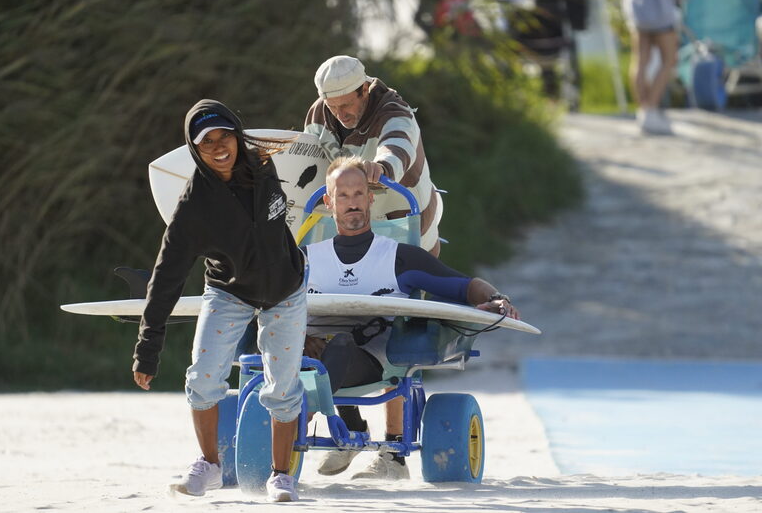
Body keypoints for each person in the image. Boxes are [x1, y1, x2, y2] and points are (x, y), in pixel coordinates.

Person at [132, 99, 307, 502]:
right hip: (228, 292)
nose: (217, 146)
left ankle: (281, 477)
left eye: (224, 135)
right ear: (195, 149)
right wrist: (147, 348)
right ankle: (209, 465)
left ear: (236, 134)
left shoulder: (264, 164)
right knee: (203, 379)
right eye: (206, 141)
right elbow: (166, 277)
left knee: (282, 389)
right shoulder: (194, 208)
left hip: (286, 288)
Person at [303, 157, 520, 480]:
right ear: (328, 201)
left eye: (358, 193)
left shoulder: (400, 257)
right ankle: (334, 427)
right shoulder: (306, 258)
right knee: (287, 350)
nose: (352, 204)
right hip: (312, 353)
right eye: (343, 195)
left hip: (371, 357)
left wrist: (494, 299)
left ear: (370, 198)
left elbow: (463, 285)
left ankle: (296, 433)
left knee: (336, 347)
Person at [304, 55, 443, 256]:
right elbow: (308, 164)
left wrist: (382, 167)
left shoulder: (394, 113)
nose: (339, 114)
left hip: (407, 227)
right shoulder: (318, 114)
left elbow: (397, 146)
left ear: (364, 90)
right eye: (332, 106)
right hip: (353, 232)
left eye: (345, 105)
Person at [618, 0, 686, 134]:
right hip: (660, 10)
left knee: (640, 61)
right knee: (669, 60)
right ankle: (651, 109)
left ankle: (643, 110)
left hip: (637, 11)